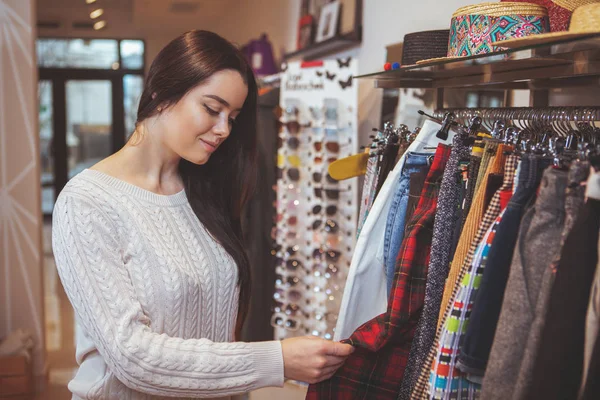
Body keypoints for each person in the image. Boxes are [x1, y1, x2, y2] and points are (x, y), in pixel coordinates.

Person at [52, 30, 354, 400]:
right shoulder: (87, 203)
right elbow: (132, 357)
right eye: (212, 109)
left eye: (233, 116)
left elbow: (218, 335)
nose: (224, 129)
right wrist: (276, 360)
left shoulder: (204, 192)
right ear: (162, 94)